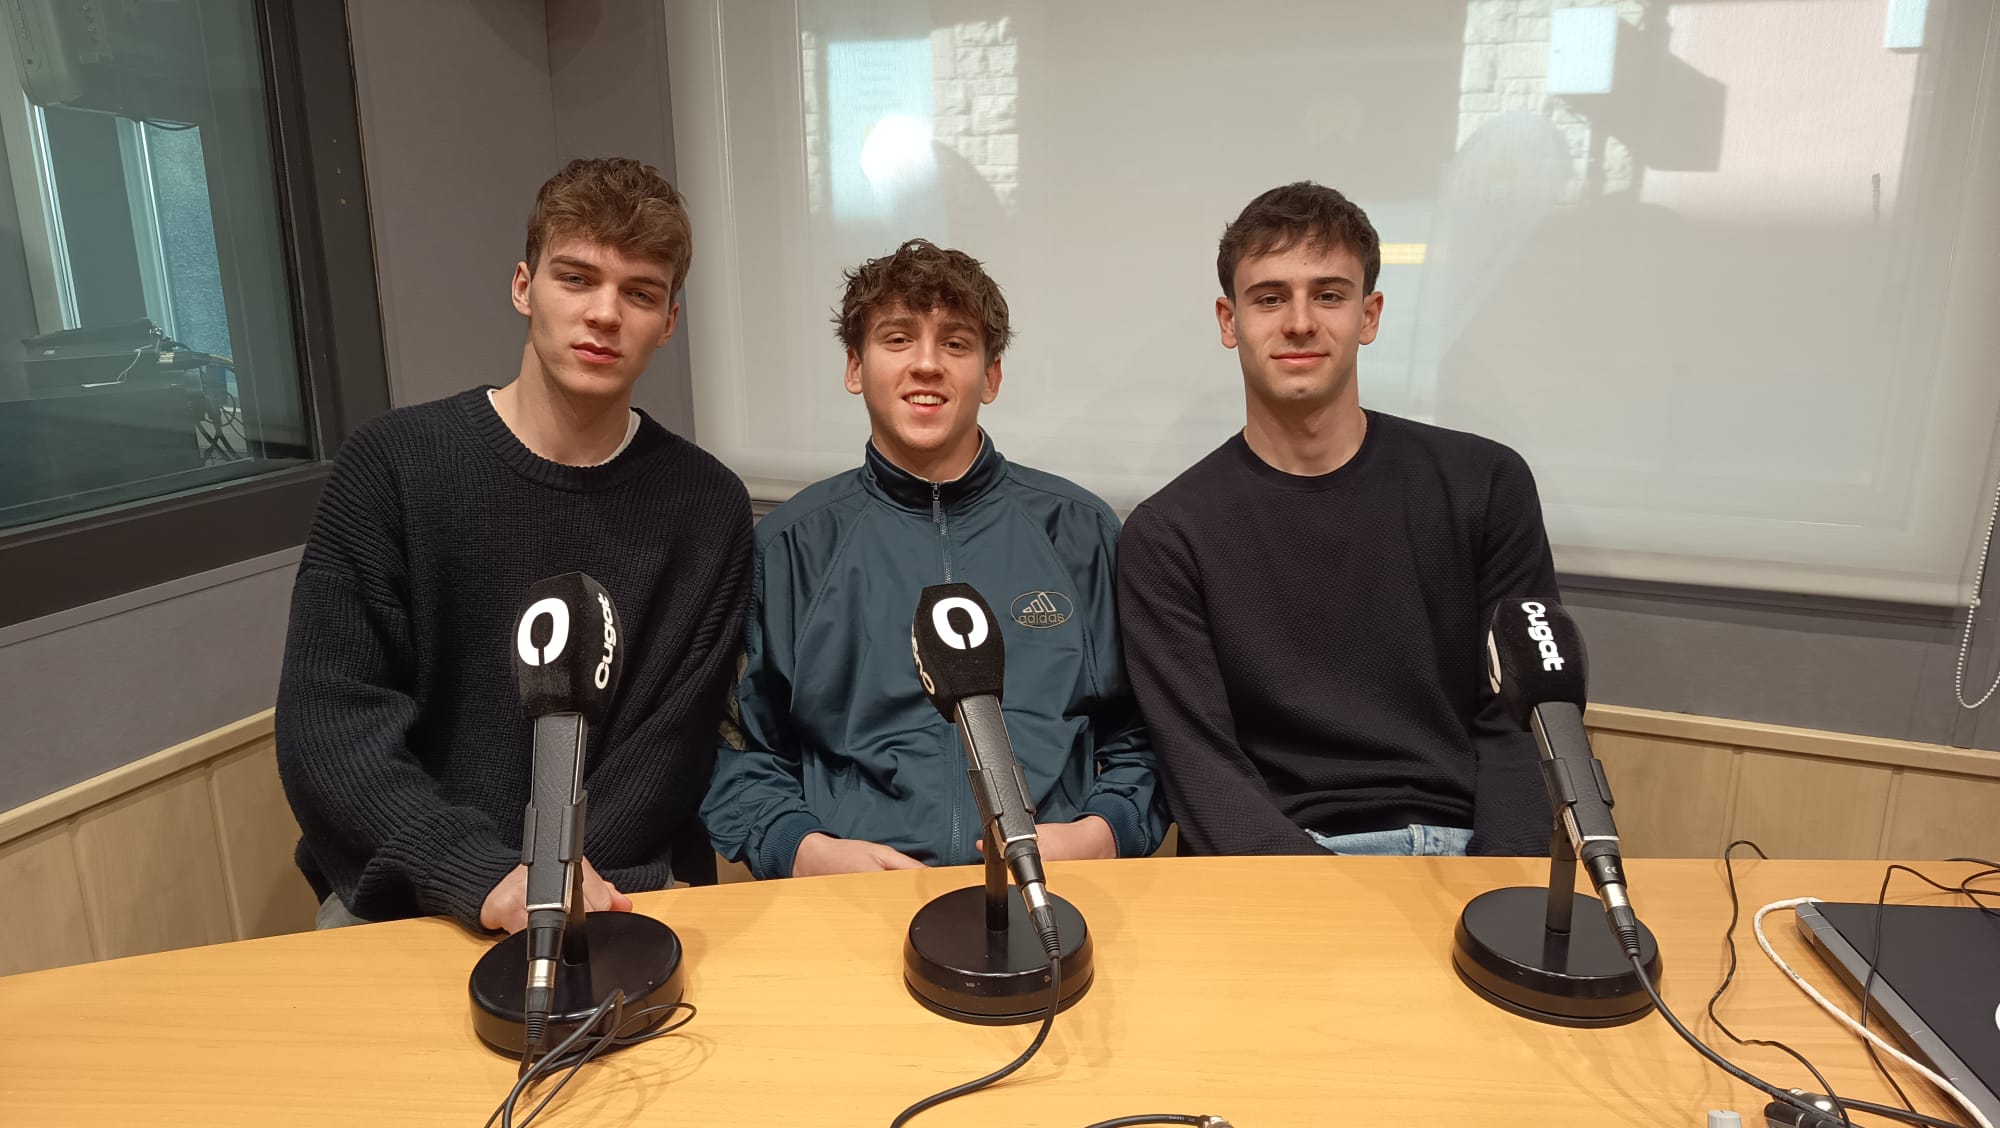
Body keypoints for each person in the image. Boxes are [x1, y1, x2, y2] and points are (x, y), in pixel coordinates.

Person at [275, 157, 754, 932]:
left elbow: (669, 749)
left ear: (668, 322)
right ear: (524, 287)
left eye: (639, 293)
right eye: (577, 279)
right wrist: (484, 875)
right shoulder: (394, 468)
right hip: (413, 888)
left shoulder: (706, 506)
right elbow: (330, 731)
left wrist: (559, 880)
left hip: (618, 886)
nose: (605, 314)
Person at [1116, 181, 1554, 858]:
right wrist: (1325, 902)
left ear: (1369, 315)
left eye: (1328, 294)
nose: (1298, 322)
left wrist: (1499, 889)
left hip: (1464, 852)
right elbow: (1201, 766)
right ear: (1229, 322)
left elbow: (1521, 722)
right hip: (1281, 865)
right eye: (1269, 297)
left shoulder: (1486, 485)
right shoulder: (1168, 536)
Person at [702, 238, 1165, 878]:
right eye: (896, 339)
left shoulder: (1080, 532)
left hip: (1060, 888)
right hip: (850, 909)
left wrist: (1102, 834)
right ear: (854, 368)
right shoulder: (789, 548)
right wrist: (806, 854)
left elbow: (1145, 735)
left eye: (955, 343)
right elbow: (739, 751)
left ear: (991, 375)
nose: (927, 365)